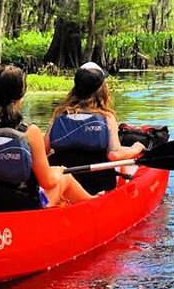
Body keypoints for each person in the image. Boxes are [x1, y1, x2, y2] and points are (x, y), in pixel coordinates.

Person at [0, 65, 92, 214]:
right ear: (20, 96)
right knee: (65, 179)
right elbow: (47, 182)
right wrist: (59, 171)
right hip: (22, 211)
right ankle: (97, 206)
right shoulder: (30, 132)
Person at [47, 61, 146, 194]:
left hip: (62, 183)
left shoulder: (60, 114)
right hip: (97, 185)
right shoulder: (106, 117)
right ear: (101, 89)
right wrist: (136, 148)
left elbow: (44, 149)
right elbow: (114, 154)